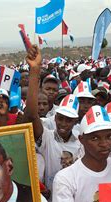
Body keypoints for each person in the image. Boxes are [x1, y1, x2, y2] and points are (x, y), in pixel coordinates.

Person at [24, 45, 81, 192]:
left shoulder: (81, 143)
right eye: (60, 118)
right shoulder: (47, 139)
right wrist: (35, 70)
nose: (63, 123)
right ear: (55, 117)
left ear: (75, 122)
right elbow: (31, 115)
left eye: (69, 120)